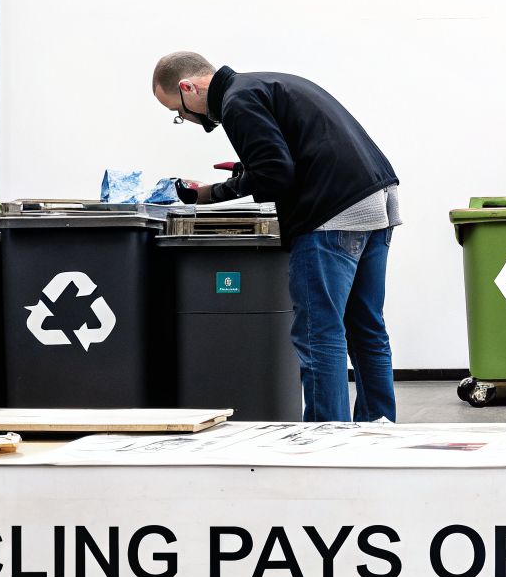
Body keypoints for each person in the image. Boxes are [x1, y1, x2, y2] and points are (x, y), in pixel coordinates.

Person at [152, 53, 400, 423]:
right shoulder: (263, 84)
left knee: (320, 333)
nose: (187, 120)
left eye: (180, 111)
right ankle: (379, 429)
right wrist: (243, 170)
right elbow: (294, 152)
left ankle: (326, 441)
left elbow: (275, 173)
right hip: (376, 200)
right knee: (367, 329)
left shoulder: (236, 101)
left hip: (332, 213)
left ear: (188, 87)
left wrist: (209, 195)